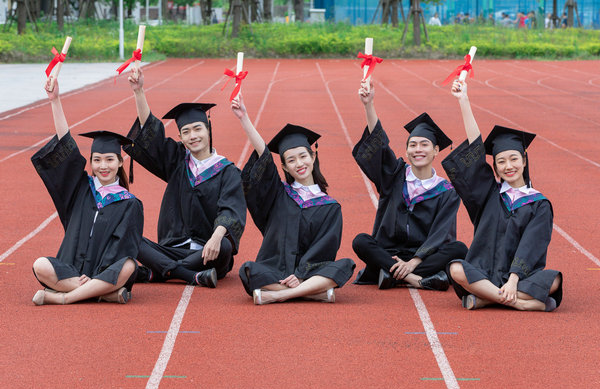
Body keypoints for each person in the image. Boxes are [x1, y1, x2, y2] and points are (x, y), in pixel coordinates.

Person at [442, 80, 563, 311]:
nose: (509, 166)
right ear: (495, 168)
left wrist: (514, 278)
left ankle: (487, 298)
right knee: (456, 269)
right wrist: (464, 101)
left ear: (524, 161)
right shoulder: (489, 194)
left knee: (554, 280)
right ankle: (522, 304)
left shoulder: (539, 204)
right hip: (483, 271)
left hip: (520, 278)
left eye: (514, 159)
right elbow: (476, 151)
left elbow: (532, 245)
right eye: (501, 161)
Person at [124, 67, 246, 287]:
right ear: (180, 136)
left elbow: (231, 210)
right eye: (186, 132)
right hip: (173, 247)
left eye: (198, 129)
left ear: (208, 130)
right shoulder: (178, 161)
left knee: (225, 247)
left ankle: (159, 271)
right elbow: (153, 136)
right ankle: (186, 274)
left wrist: (216, 237)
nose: (193, 136)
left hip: (208, 252)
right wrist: (139, 91)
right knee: (128, 234)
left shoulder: (227, 171)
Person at [231, 95, 355, 305]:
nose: (299, 163)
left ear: (313, 157)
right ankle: (313, 292)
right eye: (291, 160)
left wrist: (300, 274)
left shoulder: (330, 207)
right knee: (249, 270)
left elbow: (325, 248)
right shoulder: (279, 194)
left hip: (310, 272)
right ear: (284, 167)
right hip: (275, 268)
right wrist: (244, 118)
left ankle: (280, 295)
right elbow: (264, 159)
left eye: (303, 156)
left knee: (345, 265)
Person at [31, 77, 143, 305]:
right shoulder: (81, 188)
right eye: (98, 160)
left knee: (129, 266)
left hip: (104, 271)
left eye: (110, 160)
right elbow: (66, 146)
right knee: (40, 265)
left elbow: (122, 247)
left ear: (121, 162)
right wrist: (55, 100)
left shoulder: (130, 203)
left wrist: (99, 273)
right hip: (72, 268)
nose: (104, 166)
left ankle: (63, 298)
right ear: (90, 162)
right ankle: (102, 293)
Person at [352, 81, 468, 291]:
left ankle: (391, 273)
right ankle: (415, 280)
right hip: (388, 251)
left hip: (422, 256)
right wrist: (368, 105)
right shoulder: (394, 175)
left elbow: (441, 232)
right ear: (406, 152)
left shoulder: (447, 192)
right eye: (412, 145)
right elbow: (380, 146)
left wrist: (414, 261)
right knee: (360, 241)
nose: (418, 150)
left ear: (435, 151)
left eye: (424, 145)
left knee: (459, 248)